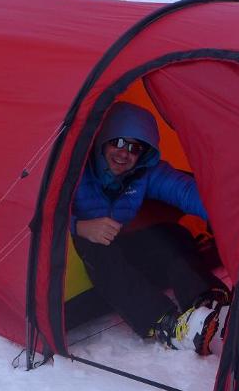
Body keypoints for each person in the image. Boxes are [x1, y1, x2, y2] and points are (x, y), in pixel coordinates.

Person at [71, 101, 230, 355]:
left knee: (174, 234)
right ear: (104, 140)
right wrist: (79, 227)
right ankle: (166, 325)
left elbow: (185, 191)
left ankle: (206, 300)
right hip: (81, 254)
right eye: (118, 142)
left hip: (120, 244)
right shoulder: (75, 171)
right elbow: (38, 211)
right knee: (99, 248)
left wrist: (228, 218)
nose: (124, 154)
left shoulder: (143, 172)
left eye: (135, 148)